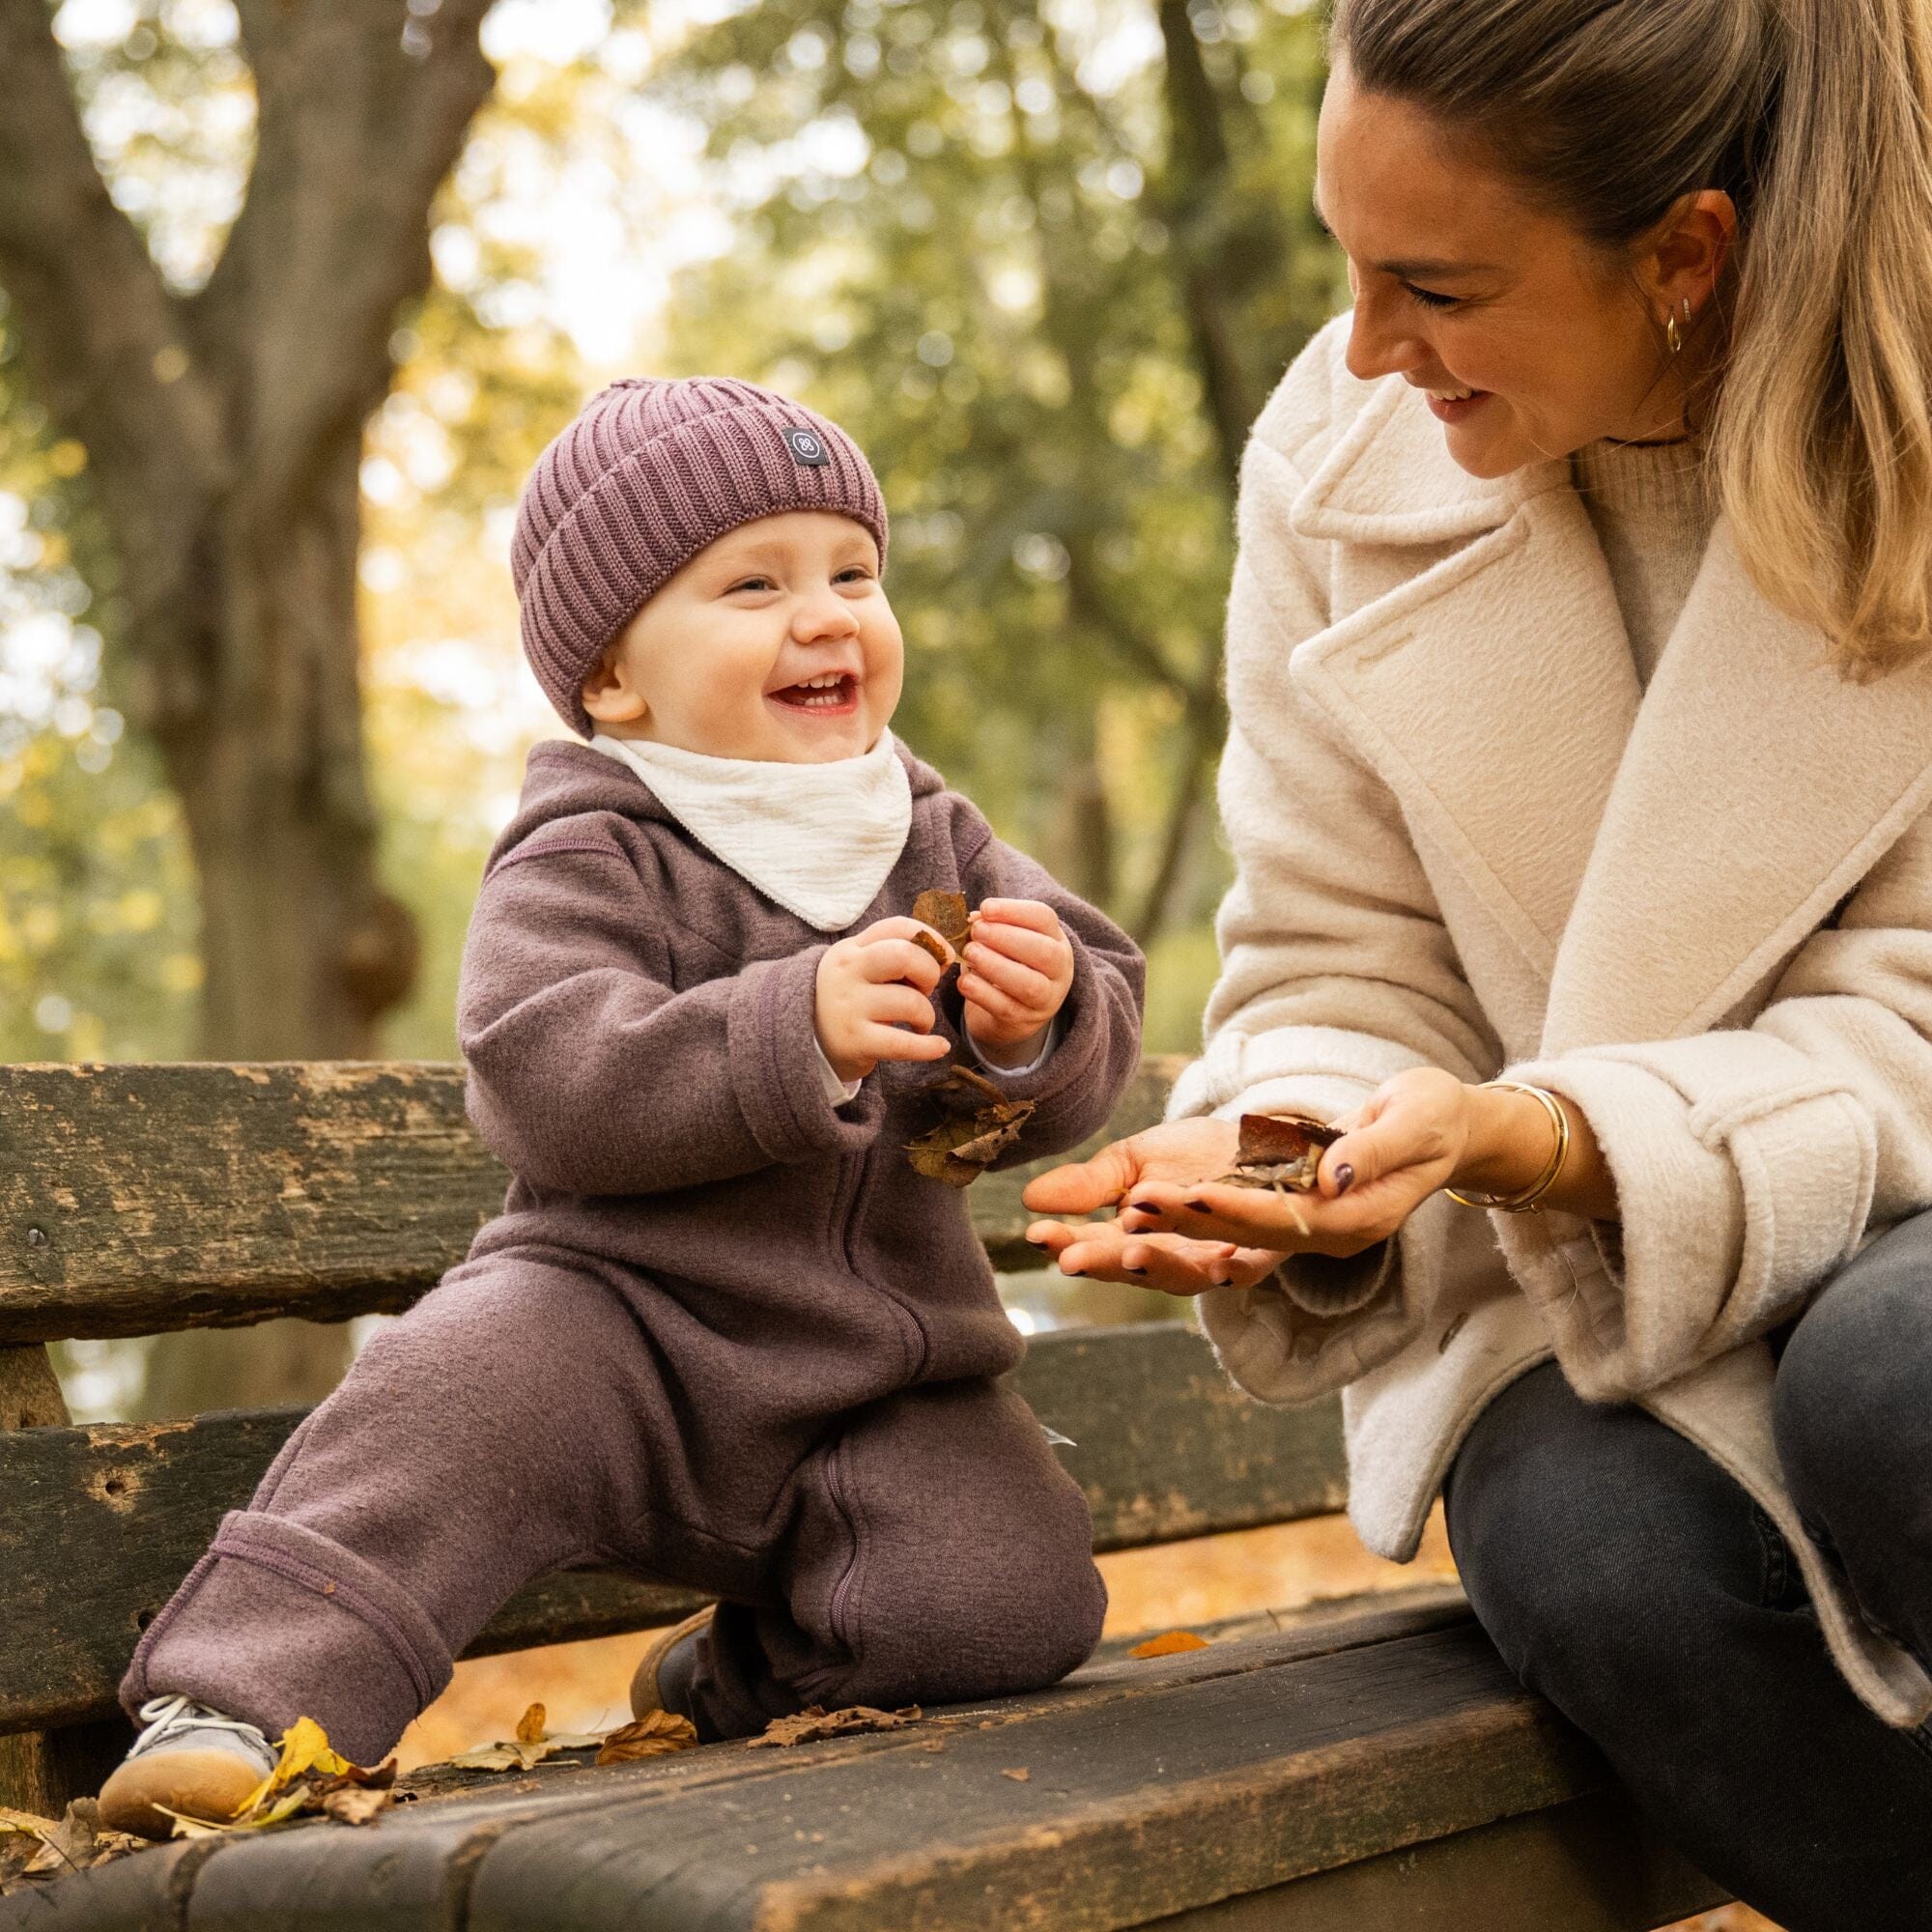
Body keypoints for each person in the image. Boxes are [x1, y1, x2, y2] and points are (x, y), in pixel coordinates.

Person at [1023, 2, 1932, 1923]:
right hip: (1596, 1287)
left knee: (1891, 1371)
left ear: (1685, 254)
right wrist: (1282, 1169)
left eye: (1432, 284)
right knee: (1583, 1543)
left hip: (1885, 1232)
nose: (1363, 350)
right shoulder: (1342, 458)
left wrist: (1551, 1134)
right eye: (1345, 264)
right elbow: (1338, 968)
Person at [99, 377, 1144, 1836]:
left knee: (1004, 1596)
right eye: (754, 584)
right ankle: (243, 1702)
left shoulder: (932, 829)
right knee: (451, 1400)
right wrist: (798, 1023)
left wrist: (1047, 1023)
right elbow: (544, 1071)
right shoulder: (590, 842)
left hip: (879, 1365)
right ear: (613, 680)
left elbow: (1087, 1036)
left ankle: (734, 1672)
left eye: (855, 572)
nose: (828, 613)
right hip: (618, 1327)